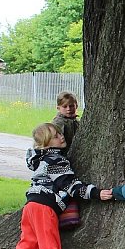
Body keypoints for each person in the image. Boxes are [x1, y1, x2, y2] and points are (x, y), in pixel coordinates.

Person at [0, 123, 112, 249]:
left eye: (60, 133)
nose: (61, 136)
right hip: (44, 207)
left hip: (31, 206)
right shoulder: (56, 160)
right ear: (46, 144)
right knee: (49, 246)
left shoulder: (40, 159)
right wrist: (96, 193)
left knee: (27, 247)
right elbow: (71, 185)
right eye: (55, 136)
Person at [52, 91, 81, 229]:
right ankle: (64, 218)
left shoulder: (76, 122)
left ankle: (70, 216)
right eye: (65, 106)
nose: (69, 109)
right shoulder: (58, 124)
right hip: (62, 162)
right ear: (58, 108)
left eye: (72, 105)